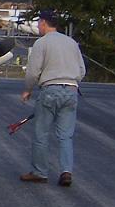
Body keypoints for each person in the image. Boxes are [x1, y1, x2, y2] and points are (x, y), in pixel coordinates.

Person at [20, 10, 86, 186]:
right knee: (66, 135)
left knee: (41, 133)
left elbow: (33, 71)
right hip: (71, 90)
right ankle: (66, 171)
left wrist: (28, 89)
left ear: (43, 23)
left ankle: (40, 172)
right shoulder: (71, 43)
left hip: (50, 90)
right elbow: (81, 70)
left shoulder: (42, 43)